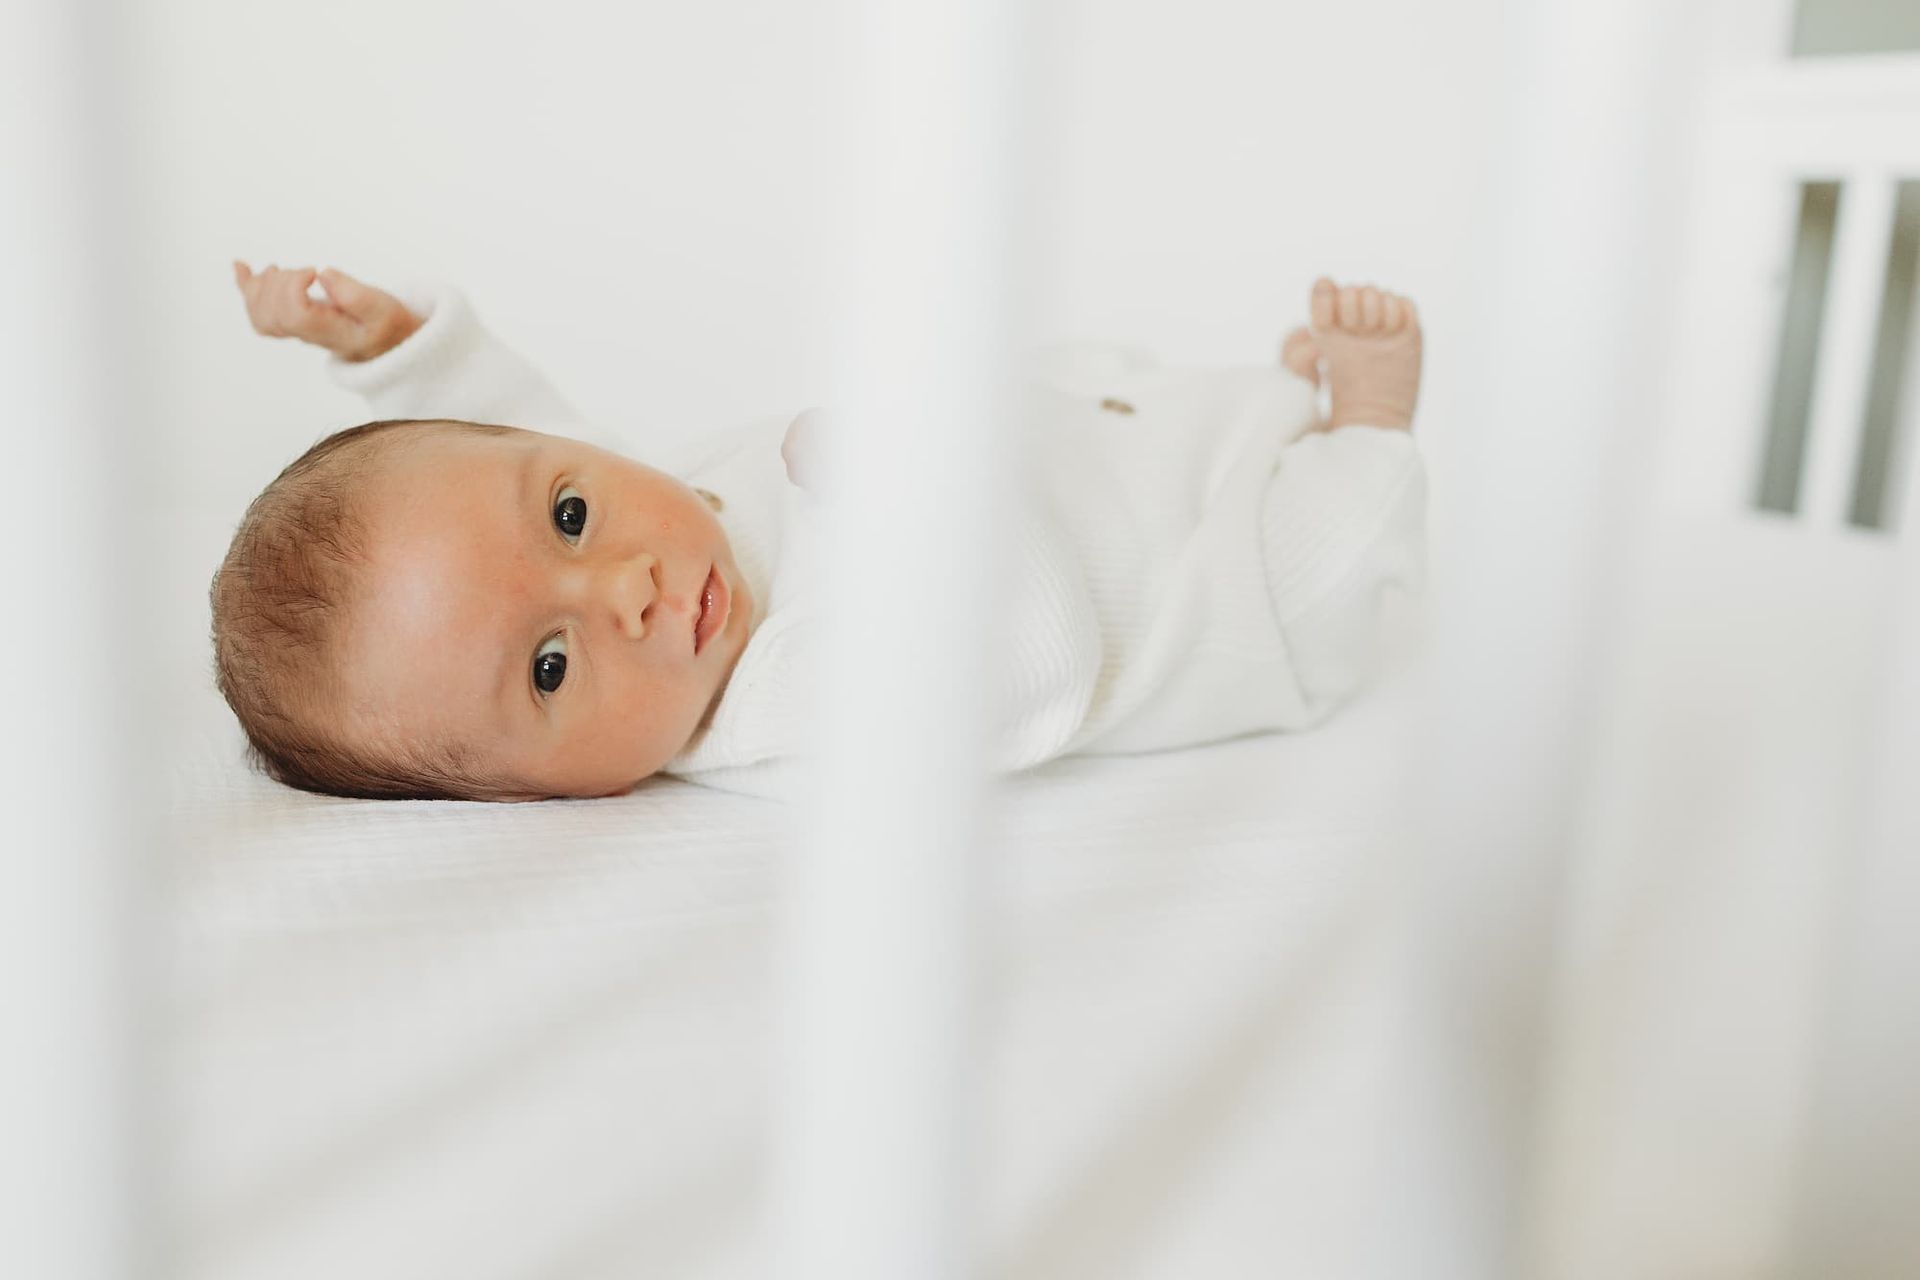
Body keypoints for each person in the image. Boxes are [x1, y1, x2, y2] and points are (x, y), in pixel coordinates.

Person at [212, 262, 1426, 800]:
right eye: (549, 666)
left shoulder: (651, 535)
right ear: (532, 799)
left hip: (1111, 459)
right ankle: (1364, 421)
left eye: (572, 514)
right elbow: (1028, 663)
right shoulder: (783, 703)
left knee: (1134, 405)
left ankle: (1262, 409)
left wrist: (401, 356)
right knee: (1323, 548)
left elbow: (510, 449)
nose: (620, 590)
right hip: (1213, 600)